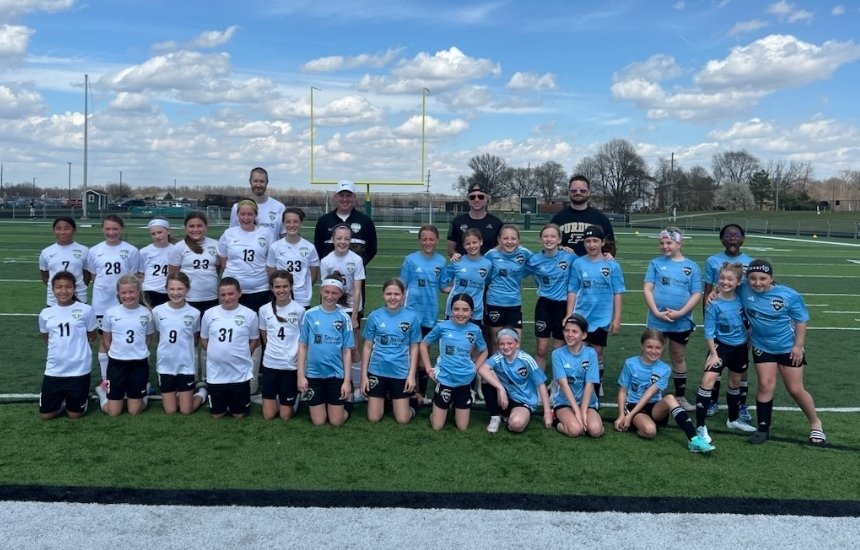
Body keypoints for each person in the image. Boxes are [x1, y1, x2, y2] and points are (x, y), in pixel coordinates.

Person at [740, 260, 826, 446]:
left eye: (763, 278)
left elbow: (801, 320)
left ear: (772, 278)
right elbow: (727, 286)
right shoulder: (744, 289)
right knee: (765, 385)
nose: (757, 282)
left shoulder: (788, 295)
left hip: (788, 347)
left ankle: (815, 424)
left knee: (795, 389)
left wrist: (798, 345)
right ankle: (763, 429)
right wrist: (715, 293)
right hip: (762, 346)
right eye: (753, 278)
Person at [614, 329, 715, 453]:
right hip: (634, 406)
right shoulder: (630, 363)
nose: (653, 351)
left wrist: (628, 417)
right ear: (642, 346)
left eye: (658, 348)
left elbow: (649, 394)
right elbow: (622, 391)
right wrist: (623, 415)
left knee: (670, 398)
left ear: (663, 348)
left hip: (654, 407)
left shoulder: (665, 369)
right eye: (649, 347)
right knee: (650, 431)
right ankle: (639, 425)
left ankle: (693, 439)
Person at [642, 227, 702, 412]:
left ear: (679, 243)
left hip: (680, 321)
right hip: (657, 320)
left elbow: (696, 293)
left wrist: (681, 312)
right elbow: (648, 289)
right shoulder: (655, 263)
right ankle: (646, 393)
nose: (665, 246)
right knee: (651, 354)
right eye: (662, 243)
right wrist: (656, 312)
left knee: (678, 355)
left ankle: (680, 395)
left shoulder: (692, 267)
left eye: (669, 242)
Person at [694, 262, 756, 440]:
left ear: (738, 282)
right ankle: (700, 426)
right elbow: (708, 331)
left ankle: (733, 418)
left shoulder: (741, 297)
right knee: (708, 380)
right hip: (720, 348)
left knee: (735, 382)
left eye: (730, 279)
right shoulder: (713, 303)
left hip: (741, 347)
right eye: (722, 278)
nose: (725, 282)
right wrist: (713, 354)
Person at [702, 223, 754, 421]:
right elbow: (708, 290)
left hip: (742, 320)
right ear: (722, 239)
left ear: (742, 238)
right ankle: (712, 401)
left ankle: (741, 405)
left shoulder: (750, 261)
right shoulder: (712, 261)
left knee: (741, 367)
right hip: (720, 318)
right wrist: (708, 320)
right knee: (714, 361)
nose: (732, 238)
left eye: (736, 235)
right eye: (728, 235)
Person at [566, 225, 625, 396]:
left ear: (602, 242)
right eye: (588, 241)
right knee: (579, 350)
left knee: (597, 352)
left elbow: (618, 292)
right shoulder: (578, 263)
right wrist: (569, 314)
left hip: (602, 317)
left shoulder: (612, 265)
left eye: (595, 241)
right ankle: (579, 385)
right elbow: (572, 290)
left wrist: (617, 318)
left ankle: (596, 387)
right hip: (581, 315)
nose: (591, 245)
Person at [419, 293, 492, 431]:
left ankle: (454, 406)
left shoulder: (475, 330)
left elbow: (485, 351)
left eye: (465, 310)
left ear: (471, 312)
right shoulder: (442, 327)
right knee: (437, 426)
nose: (460, 313)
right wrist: (429, 369)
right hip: (445, 379)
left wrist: (474, 368)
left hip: (464, 381)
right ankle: (436, 411)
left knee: (462, 427)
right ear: (451, 310)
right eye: (456, 309)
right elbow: (423, 344)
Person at [86, 215, 141, 391]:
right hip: (102, 303)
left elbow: (132, 277)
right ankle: (105, 379)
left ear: (121, 229)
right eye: (108, 229)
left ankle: (130, 374)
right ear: (103, 229)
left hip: (125, 302)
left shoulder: (131, 250)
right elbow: (94, 276)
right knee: (104, 340)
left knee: (127, 337)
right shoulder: (94, 251)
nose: (111, 232)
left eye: (115, 229)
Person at [360, 278, 422, 424]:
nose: (393, 298)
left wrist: (411, 376)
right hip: (377, 370)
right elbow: (367, 346)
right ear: (383, 295)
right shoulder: (375, 316)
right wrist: (364, 376)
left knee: (402, 419)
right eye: (389, 294)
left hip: (400, 372)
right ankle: (388, 399)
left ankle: (413, 402)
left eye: (397, 294)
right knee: (374, 418)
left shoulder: (411, 317)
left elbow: (414, 347)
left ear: (403, 295)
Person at [37, 271, 98, 420]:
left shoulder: (86, 310)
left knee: (75, 415)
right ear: (52, 289)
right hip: (54, 370)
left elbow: (92, 335)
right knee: (46, 416)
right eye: (59, 287)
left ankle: (81, 398)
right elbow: (47, 338)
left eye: (68, 287)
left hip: (78, 369)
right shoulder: (46, 313)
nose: (63, 291)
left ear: (74, 289)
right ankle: (61, 399)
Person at [297, 275, 355, 427]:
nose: (330, 296)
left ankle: (348, 403)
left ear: (340, 294)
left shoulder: (344, 317)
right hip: (314, 375)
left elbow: (347, 351)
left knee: (336, 421)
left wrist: (347, 381)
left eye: (334, 293)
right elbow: (302, 346)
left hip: (335, 374)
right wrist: (301, 376)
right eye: (327, 291)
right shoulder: (309, 315)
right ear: (321, 291)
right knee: (319, 421)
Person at [399, 224, 446, 405]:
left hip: (430, 313)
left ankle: (421, 393)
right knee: (412, 352)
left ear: (437, 240)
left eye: (431, 239)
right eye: (424, 239)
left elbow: (443, 286)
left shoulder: (441, 261)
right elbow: (402, 286)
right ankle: (408, 389)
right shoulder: (410, 260)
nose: (428, 242)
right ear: (420, 240)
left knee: (424, 351)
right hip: (412, 313)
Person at [94, 274, 154, 417]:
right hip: (117, 364)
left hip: (138, 363)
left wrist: (139, 352)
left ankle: (144, 389)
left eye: (131, 292)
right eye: (124, 293)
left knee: (134, 410)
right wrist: (116, 354)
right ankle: (102, 392)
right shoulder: (111, 313)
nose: (128, 296)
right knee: (113, 412)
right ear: (118, 294)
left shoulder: (146, 314)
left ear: (139, 292)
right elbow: (106, 340)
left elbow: (148, 339)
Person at [200, 277, 260, 419]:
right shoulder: (209, 314)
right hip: (216, 373)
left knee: (238, 414)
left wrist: (243, 355)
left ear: (239, 293)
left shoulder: (250, 315)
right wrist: (216, 354)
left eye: (231, 294)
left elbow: (254, 340)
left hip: (239, 374)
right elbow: (204, 339)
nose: (227, 298)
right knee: (217, 415)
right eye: (223, 295)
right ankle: (203, 392)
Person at [319, 223, 366, 402]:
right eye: (339, 238)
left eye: (346, 239)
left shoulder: (356, 260)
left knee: (354, 348)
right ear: (333, 240)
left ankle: (357, 387)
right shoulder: (326, 261)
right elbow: (326, 289)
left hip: (351, 310)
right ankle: (337, 382)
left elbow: (357, 289)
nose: (342, 242)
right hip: (333, 309)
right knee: (334, 346)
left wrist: (354, 316)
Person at [153, 271, 206, 415]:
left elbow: (194, 339)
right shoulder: (158, 311)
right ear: (166, 289)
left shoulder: (194, 313)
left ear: (187, 289)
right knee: (170, 410)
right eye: (172, 289)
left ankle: (202, 393)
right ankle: (179, 396)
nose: (176, 293)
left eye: (180, 289)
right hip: (165, 365)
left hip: (185, 366)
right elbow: (159, 335)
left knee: (185, 410)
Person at [480, 328, 552, 434]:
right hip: (504, 399)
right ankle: (495, 417)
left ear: (517, 344)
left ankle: (511, 417)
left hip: (523, 401)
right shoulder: (498, 357)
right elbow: (482, 369)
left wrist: (547, 413)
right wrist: (500, 388)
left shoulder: (526, 360)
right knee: (486, 374)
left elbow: (541, 385)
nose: (506, 347)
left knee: (516, 424)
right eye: (502, 344)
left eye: (509, 343)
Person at [525, 223, 574, 372]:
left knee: (558, 349)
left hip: (563, 306)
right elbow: (517, 272)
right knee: (541, 349)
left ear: (559, 240)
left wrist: (606, 255)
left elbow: (588, 260)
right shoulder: (534, 260)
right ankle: (539, 385)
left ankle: (556, 385)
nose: (549, 239)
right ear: (541, 239)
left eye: (553, 236)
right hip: (544, 305)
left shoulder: (569, 256)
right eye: (545, 236)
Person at [258, 270, 305, 421]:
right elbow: (264, 336)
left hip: (290, 366)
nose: (281, 290)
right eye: (277, 287)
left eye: (285, 286)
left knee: (285, 416)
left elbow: (303, 340)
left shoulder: (299, 310)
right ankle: (277, 398)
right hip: (271, 363)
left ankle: (294, 398)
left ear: (291, 287)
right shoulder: (264, 310)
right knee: (269, 415)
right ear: (271, 288)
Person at [551, 315, 604, 438]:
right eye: (567, 330)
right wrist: (577, 412)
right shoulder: (557, 354)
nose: (569, 334)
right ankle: (557, 422)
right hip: (564, 402)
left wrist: (583, 412)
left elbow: (590, 384)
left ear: (584, 335)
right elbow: (564, 385)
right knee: (575, 430)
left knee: (595, 431)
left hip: (588, 403)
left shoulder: (591, 353)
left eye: (574, 331)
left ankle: (591, 419)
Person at [219, 199, 271, 312]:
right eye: (242, 214)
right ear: (237, 215)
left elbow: (270, 260)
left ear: (256, 215)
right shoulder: (228, 234)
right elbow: (223, 259)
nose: (246, 218)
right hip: (233, 291)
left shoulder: (266, 233)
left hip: (259, 289)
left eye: (250, 214)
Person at [313, 178, 377, 272]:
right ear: (336, 197)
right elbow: (318, 249)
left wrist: (358, 265)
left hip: (356, 278)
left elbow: (372, 249)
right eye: (341, 195)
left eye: (348, 195)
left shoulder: (365, 221)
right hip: (330, 277)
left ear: (354, 197)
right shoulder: (323, 221)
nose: (345, 199)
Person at [484, 224, 531, 346]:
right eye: (505, 238)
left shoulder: (524, 253)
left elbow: (540, 262)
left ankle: (513, 365)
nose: (509, 242)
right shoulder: (491, 255)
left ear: (518, 241)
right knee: (496, 343)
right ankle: (497, 366)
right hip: (495, 302)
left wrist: (562, 249)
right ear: (499, 240)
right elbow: (485, 277)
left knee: (515, 343)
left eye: (513, 238)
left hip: (514, 303)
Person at [168, 211, 221, 314]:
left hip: (211, 296)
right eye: (191, 226)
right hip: (188, 298)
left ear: (206, 227)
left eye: (199, 226)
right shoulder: (179, 247)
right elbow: (173, 274)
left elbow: (217, 269)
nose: (195, 229)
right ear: (186, 228)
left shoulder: (215, 245)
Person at [550, 175, 616, 257]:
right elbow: (550, 245)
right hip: (565, 267)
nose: (578, 193)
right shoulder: (558, 218)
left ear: (589, 192)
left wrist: (607, 256)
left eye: (583, 190)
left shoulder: (601, 218)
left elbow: (610, 247)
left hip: (592, 268)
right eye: (574, 190)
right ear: (568, 192)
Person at [267, 207, 320, 309]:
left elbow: (313, 275)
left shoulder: (309, 247)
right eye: (288, 222)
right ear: (283, 224)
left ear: (301, 223)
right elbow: (272, 274)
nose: (292, 225)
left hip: (302, 298)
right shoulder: (275, 247)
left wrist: (302, 287)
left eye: (296, 221)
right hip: (281, 297)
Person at [440, 228, 492, 326]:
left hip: (475, 312)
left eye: (475, 242)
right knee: (452, 340)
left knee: (471, 340)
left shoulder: (488, 264)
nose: (472, 246)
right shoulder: (457, 262)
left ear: (481, 242)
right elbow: (443, 285)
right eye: (468, 244)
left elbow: (489, 282)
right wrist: (455, 290)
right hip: (455, 310)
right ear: (463, 245)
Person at [39, 216, 90, 306]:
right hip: (54, 299)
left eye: (67, 228)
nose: (62, 232)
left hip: (79, 296)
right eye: (58, 229)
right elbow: (45, 275)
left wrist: (75, 287)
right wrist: (58, 288)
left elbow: (87, 274)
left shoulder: (84, 250)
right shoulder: (46, 252)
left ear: (74, 230)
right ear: (54, 231)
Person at [229, 167, 285, 244]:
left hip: (271, 255)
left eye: (262, 181)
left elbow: (283, 236)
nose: (258, 185)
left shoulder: (279, 207)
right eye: (255, 181)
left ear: (267, 182)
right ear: (250, 182)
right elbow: (232, 235)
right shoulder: (237, 207)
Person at [446, 183, 503, 257]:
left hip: (489, 267)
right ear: (468, 200)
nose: (476, 199)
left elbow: (502, 247)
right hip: (464, 267)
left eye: (480, 197)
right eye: (472, 197)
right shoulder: (457, 222)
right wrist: (457, 258)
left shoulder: (497, 223)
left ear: (486, 199)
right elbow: (451, 249)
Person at [138, 218, 175, 308]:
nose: (157, 236)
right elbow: (141, 274)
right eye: (153, 234)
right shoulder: (144, 252)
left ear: (168, 231)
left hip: (168, 292)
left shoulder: (176, 250)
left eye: (160, 232)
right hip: (149, 290)